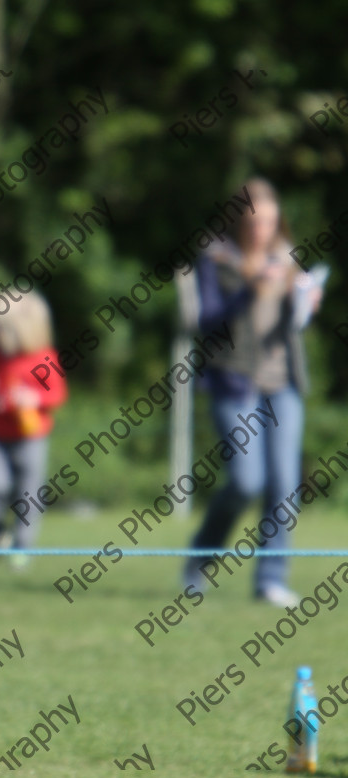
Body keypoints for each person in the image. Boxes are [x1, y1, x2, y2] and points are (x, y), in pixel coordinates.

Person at [184, 178, 320, 607]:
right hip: (234, 382)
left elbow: (292, 320)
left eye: (270, 221)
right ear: (239, 220)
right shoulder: (217, 257)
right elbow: (206, 321)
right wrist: (249, 290)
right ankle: (200, 556)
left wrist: (307, 301)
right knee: (246, 480)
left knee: (284, 485)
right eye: (254, 222)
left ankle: (270, 580)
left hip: (282, 384)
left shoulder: (288, 258)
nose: (262, 229)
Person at [0, 292, 68, 569]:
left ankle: (22, 545)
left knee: (29, 494)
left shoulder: (44, 358)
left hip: (32, 435)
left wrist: (35, 398)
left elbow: (57, 395)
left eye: (2, 329)